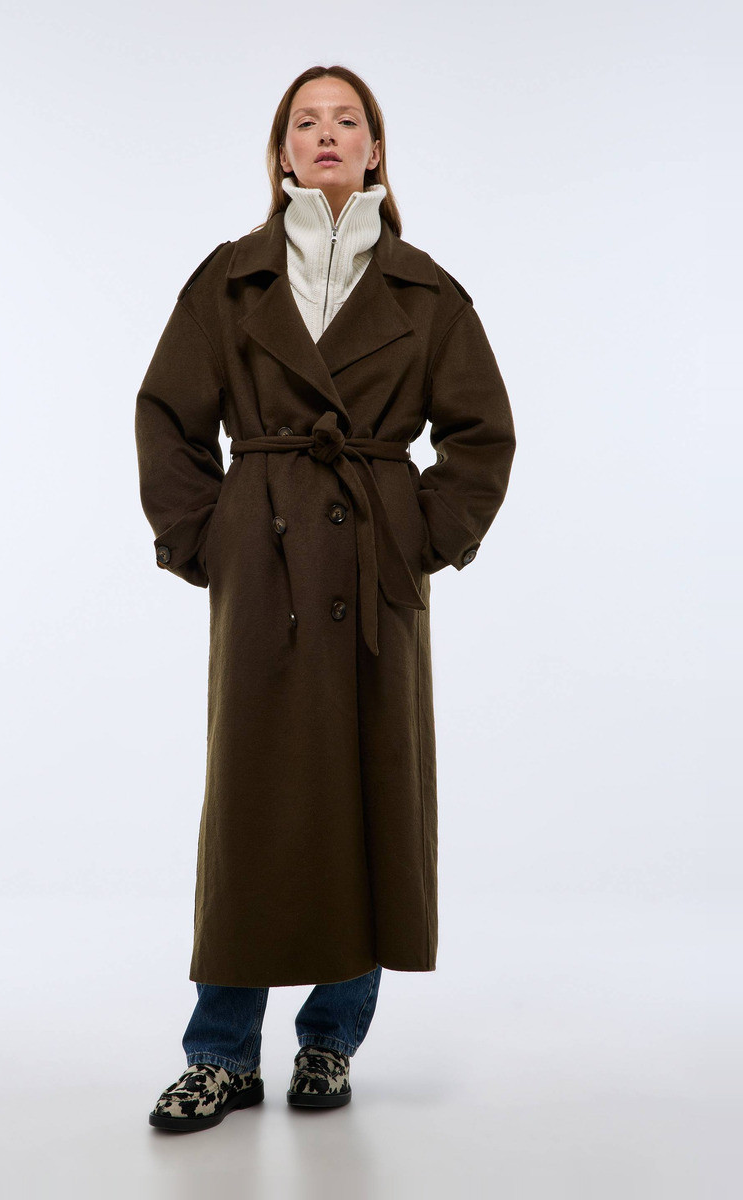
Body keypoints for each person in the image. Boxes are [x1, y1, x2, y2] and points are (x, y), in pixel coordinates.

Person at [136, 65, 516, 1132]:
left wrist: (416, 534)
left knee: (369, 795)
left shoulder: (427, 291)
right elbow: (167, 416)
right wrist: (207, 538)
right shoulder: (229, 281)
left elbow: (483, 434)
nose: (327, 133)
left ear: (376, 148)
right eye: (305, 121)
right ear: (282, 154)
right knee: (252, 805)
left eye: (348, 119)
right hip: (264, 565)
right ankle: (221, 1053)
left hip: (372, 573)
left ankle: (330, 1042)